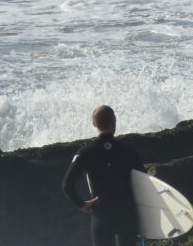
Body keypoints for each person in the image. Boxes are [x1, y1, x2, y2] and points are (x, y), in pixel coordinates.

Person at [62, 105, 145, 246]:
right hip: (126, 213)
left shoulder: (85, 152)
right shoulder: (128, 151)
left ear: (94, 124)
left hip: (102, 214)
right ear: (114, 121)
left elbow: (67, 185)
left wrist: (82, 204)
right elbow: (144, 182)